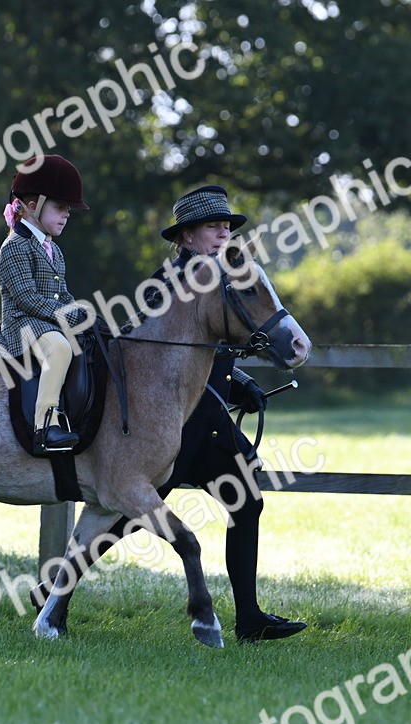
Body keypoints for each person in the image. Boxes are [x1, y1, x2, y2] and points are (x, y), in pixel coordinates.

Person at [123, 185, 307, 642]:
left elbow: (215, 352)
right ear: (187, 235)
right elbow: (156, 361)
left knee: (247, 502)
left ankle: (249, 618)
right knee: (121, 512)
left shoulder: (224, 278)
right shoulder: (164, 284)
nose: (224, 233)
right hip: (172, 426)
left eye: (227, 226)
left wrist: (242, 384)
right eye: (214, 226)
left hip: (208, 422)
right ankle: (55, 590)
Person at [0, 154, 90, 454]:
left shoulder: (53, 249)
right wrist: (67, 317)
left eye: (68, 210)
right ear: (33, 206)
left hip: (46, 323)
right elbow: (27, 299)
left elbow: (63, 294)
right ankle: (45, 425)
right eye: (60, 207)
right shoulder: (14, 247)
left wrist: (81, 313)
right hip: (22, 325)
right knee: (59, 348)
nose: (66, 215)